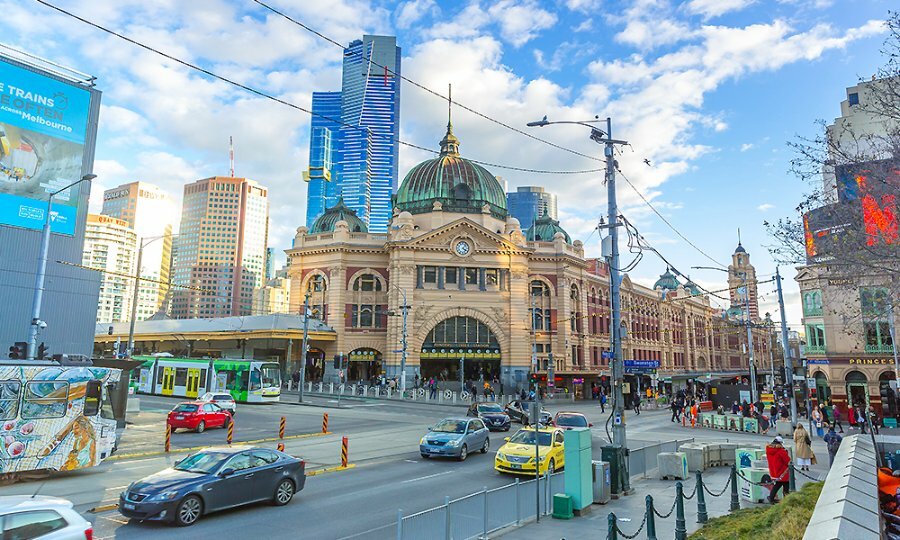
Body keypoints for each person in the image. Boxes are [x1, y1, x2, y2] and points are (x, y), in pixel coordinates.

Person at [766, 436, 791, 504]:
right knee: (785, 485)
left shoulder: (769, 450)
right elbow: (788, 461)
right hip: (783, 472)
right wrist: (786, 452)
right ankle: (787, 499)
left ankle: (771, 497)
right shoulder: (781, 451)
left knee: (777, 485)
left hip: (774, 471)